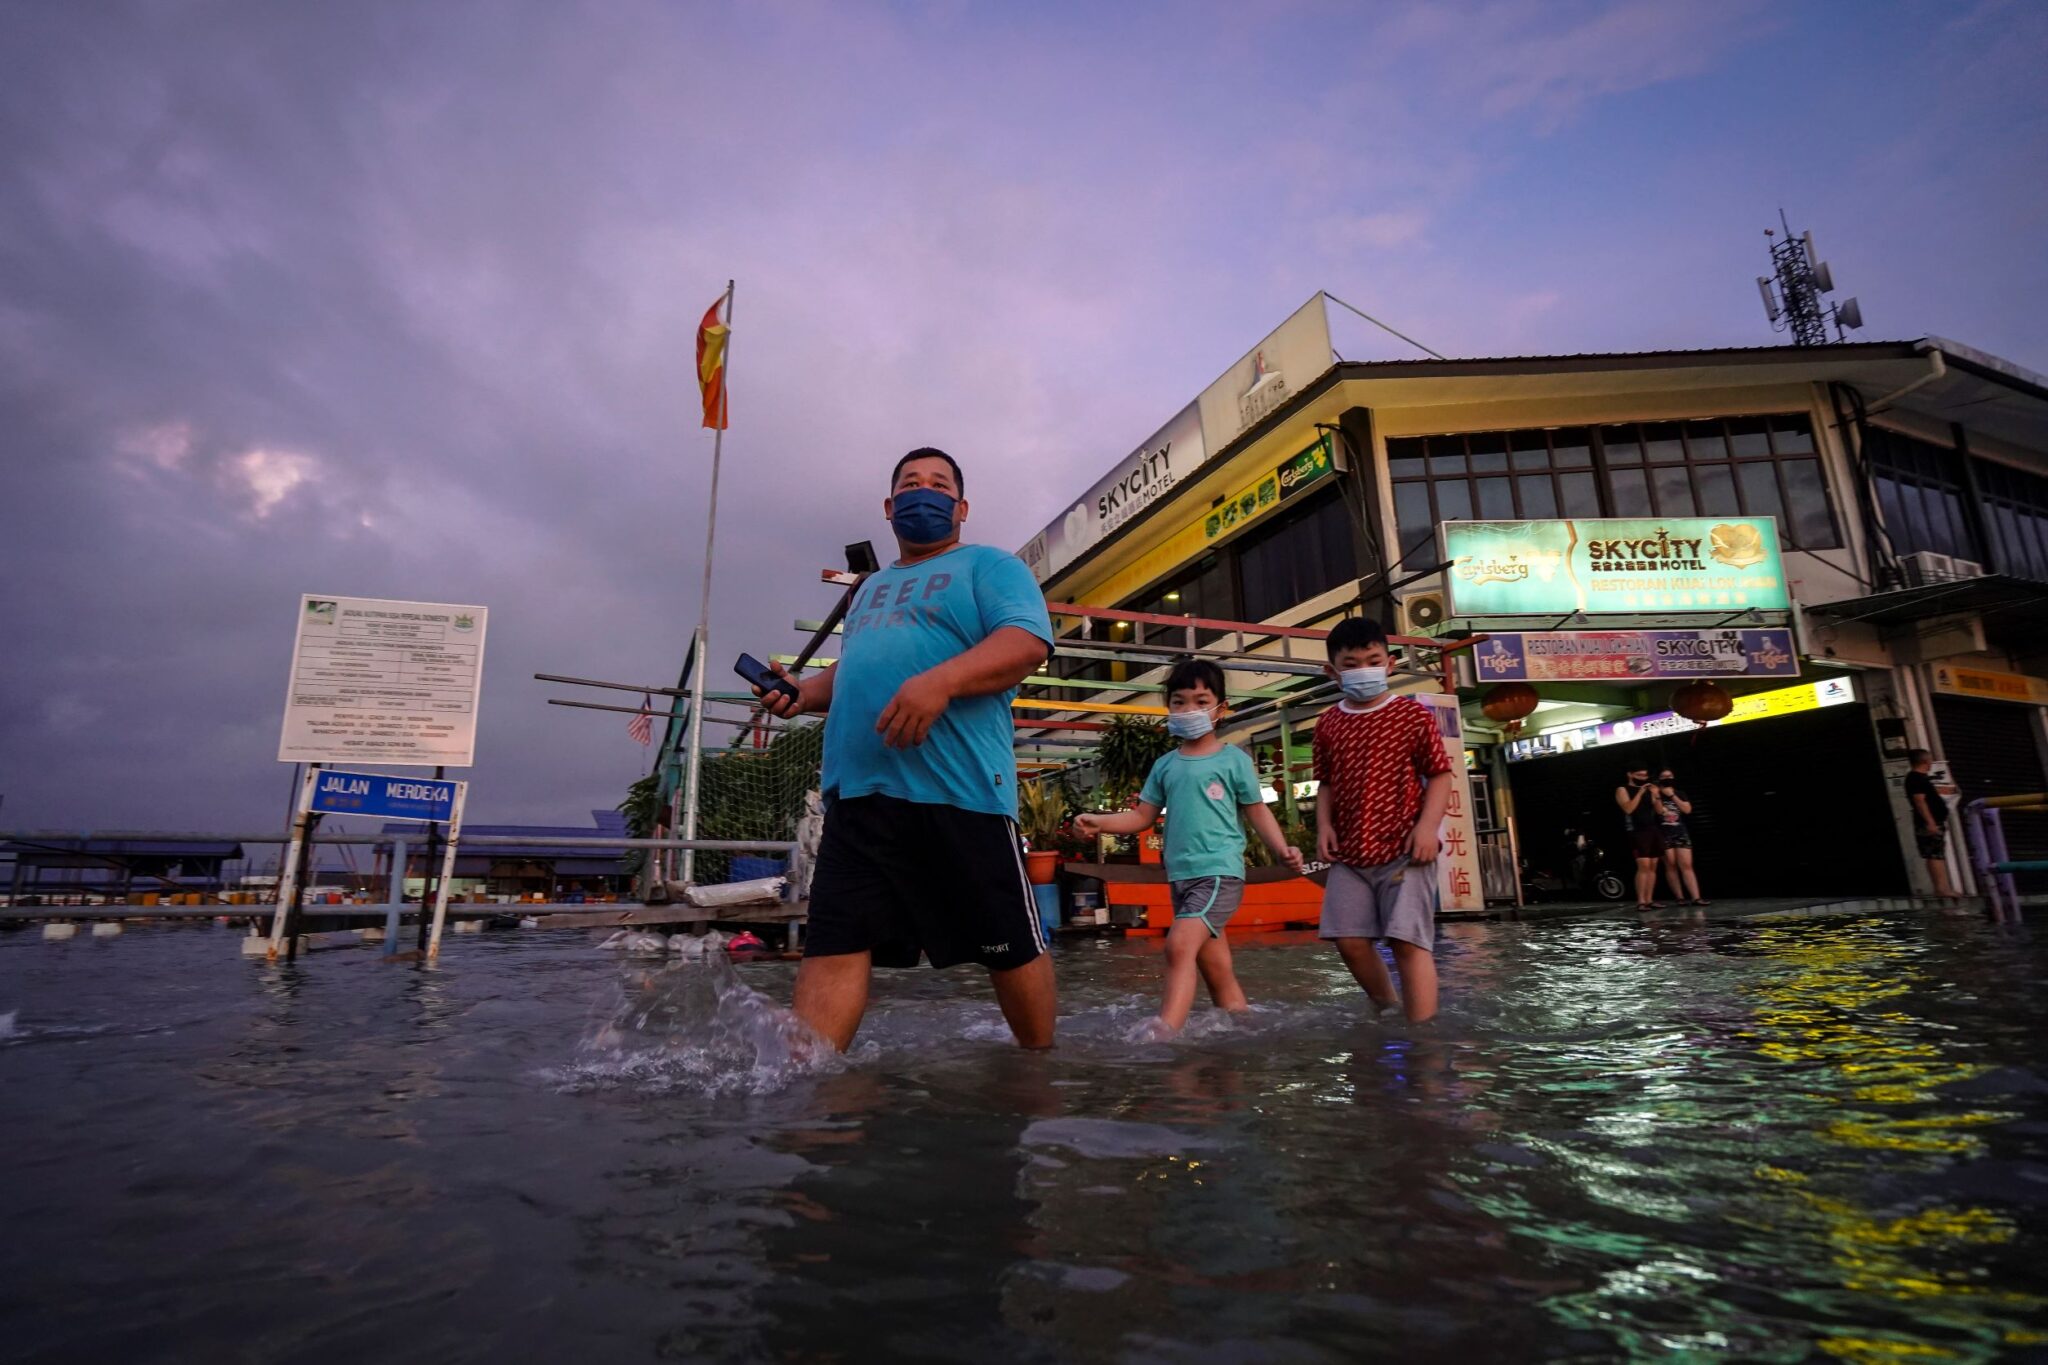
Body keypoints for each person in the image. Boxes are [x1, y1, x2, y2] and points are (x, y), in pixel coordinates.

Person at [752, 447, 1056, 1050]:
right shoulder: (869, 591)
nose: (925, 492)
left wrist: (939, 681)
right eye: (911, 484)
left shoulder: (989, 566)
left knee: (1009, 946)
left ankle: (1040, 1070)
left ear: (961, 506)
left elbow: (1027, 641)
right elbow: (853, 670)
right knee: (835, 941)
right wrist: (801, 692)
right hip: (857, 797)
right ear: (890, 507)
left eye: (939, 484)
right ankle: (808, 1090)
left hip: (961, 791)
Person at [1074, 659, 1304, 1036]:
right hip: (1181, 876)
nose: (1189, 711)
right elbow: (1141, 817)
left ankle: (1165, 1031)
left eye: (1200, 701)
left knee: (1179, 945)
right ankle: (1242, 1022)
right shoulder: (1165, 765)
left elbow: (1257, 809)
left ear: (1221, 709)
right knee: (1215, 966)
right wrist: (1100, 822)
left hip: (1218, 873)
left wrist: (1282, 850)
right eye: (1179, 702)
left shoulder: (1233, 759)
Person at [1312, 617, 1456, 1023]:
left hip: (1405, 850)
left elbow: (1441, 774)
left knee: (1407, 942)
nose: (1364, 670)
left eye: (1373, 660)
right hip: (1350, 854)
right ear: (1333, 672)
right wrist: (1324, 825)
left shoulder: (1411, 716)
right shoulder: (1328, 723)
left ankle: (1422, 1033)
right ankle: (1389, 1009)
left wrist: (1427, 828)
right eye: (1352, 663)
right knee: (1349, 941)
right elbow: (1325, 782)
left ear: (1390, 664)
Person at [1905, 749, 1961, 900]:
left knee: (1937, 854)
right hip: (1928, 822)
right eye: (1929, 760)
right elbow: (1919, 801)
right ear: (1925, 761)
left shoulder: (1919, 778)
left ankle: (1942, 888)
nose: (1931, 763)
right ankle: (1942, 889)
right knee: (1935, 855)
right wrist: (1930, 822)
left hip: (1933, 820)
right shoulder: (1916, 778)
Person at [1655, 768, 1708, 906]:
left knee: (1686, 865)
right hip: (1663, 833)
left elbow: (1687, 810)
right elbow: (1659, 810)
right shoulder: (1656, 794)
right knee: (1670, 865)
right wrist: (1659, 794)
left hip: (1680, 831)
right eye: (1664, 776)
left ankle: (1696, 897)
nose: (1667, 778)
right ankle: (1679, 897)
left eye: (1670, 776)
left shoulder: (1680, 793)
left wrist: (1672, 796)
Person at [1616, 764, 1665, 909]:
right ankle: (1641, 901)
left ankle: (1649, 900)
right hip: (1636, 831)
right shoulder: (1622, 789)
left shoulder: (1649, 790)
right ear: (1630, 774)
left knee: (1653, 866)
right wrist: (1639, 793)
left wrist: (1656, 795)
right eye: (1640, 775)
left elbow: (1660, 811)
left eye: (1645, 776)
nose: (1643, 778)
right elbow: (1628, 808)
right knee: (1643, 866)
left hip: (1652, 829)